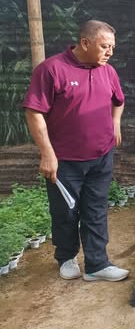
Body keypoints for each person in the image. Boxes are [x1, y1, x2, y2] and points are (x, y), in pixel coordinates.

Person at [22, 20, 129, 282]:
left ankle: (97, 264)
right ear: (85, 43)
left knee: (96, 209)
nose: (110, 52)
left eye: (112, 47)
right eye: (104, 46)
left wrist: (115, 123)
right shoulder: (52, 69)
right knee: (65, 212)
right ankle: (66, 257)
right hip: (65, 160)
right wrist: (47, 153)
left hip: (101, 156)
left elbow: (119, 101)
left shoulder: (108, 71)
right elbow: (34, 112)